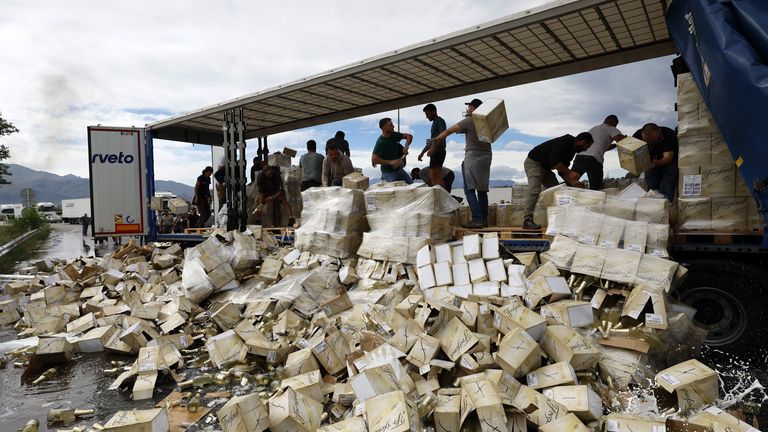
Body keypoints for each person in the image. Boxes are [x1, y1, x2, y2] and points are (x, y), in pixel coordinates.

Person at [434, 98, 491, 227]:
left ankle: (477, 219)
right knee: (482, 190)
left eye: (470, 106)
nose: (468, 109)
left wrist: (435, 140)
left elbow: (448, 131)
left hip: (472, 158)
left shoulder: (469, 121)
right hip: (486, 157)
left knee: (469, 190)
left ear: (475, 109)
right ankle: (484, 220)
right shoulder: (486, 123)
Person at [523, 132, 595, 229]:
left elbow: (562, 171)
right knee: (534, 191)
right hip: (534, 163)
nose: (586, 149)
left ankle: (561, 219)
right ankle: (527, 220)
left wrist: (573, 183)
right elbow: (555, 162)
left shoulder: (572, 151)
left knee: (557, 191)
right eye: (587, 146)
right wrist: (570, 173)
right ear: (582, 141)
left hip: (546, 167)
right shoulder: (565, 142)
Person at [571, 115, 626, 190]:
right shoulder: (610, 128)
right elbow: (621, 140)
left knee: (571, 182)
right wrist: (625, 138)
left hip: (579, 158)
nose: (616, 127)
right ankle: (594, 201)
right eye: (616, 124)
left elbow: (604, 147)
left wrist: (616, 146)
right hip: (593, 160)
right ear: (612, 122)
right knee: (595, 188)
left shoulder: (594, 128)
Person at [633, 123, 678, 202]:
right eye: (647, 142)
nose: (650, 144)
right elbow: (630, 150)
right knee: (652, 192)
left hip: (669, 163)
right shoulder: (637, 135)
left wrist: (654, 163)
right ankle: (654, 209)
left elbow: (668, 158)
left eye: (652, 141)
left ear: (659, 132)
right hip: (651, 163)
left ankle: (666, 209)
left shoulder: (669, 135)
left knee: (667, 189)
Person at [372, 117, 414, 183]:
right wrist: (391, 162)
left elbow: (409, 136)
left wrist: (406, 146)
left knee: (412, 186)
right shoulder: (381, 142)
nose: (393, 126)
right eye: (390, 125)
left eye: (392, 124)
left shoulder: (394, 135)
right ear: (384, 128)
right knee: (396, 191)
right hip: (388, 173)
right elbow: (374, 159)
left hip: (399, 170)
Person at [417, 103, 448, 188]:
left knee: (435, 176)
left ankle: (444, 197)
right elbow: (432, 140)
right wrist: (422, 152)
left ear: (433, 112)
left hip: (439, 151)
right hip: (435, 152)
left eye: (428, 114)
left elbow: (442, 135)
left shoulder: (439, 121)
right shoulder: (434, 123)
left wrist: (433, 148)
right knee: (432, 175)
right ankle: (440, 195)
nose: (426, 116)